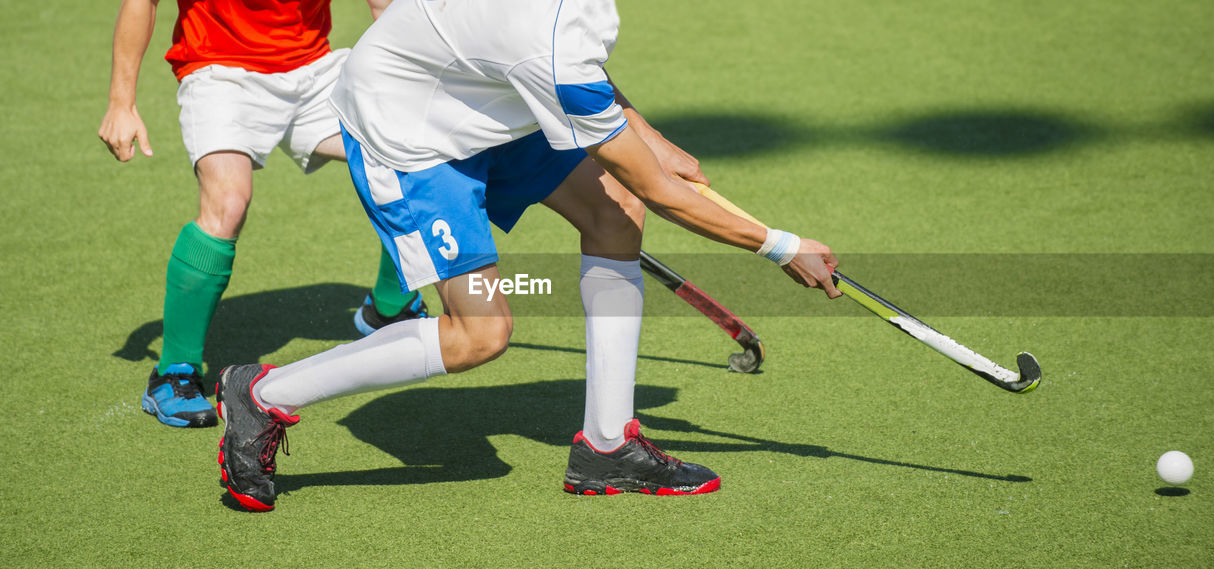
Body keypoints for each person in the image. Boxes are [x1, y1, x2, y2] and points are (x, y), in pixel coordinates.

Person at [215, 0, 842, 512]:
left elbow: (584, 71)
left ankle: (607, 447)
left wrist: (649, 135)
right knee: (480, 333)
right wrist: (781, 246)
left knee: (615, 209)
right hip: (406, 133)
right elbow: (656, 183)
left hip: (487, 97)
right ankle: (263, 392)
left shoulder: (570, 23)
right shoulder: (542, 39)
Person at [98, 0, 428, 429]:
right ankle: (173, 373)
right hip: (220, 74)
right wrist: (121, 103)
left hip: (314, 69)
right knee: (228, 202)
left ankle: (389, 307)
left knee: (415, 159)